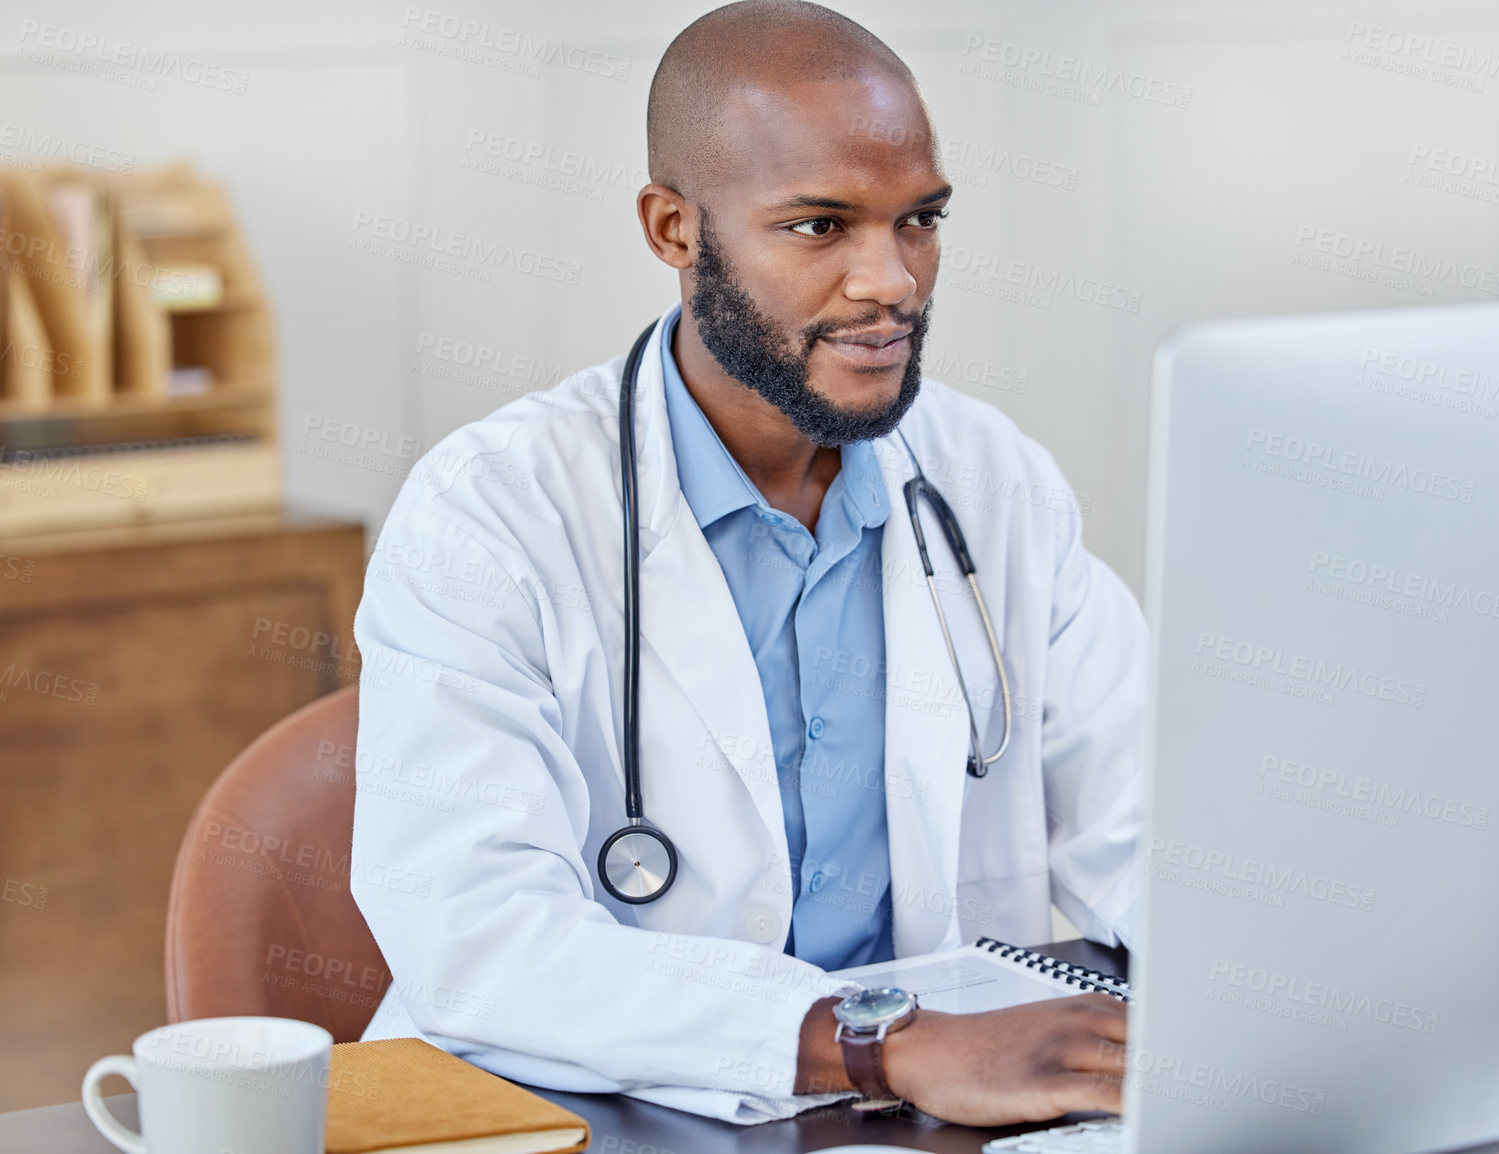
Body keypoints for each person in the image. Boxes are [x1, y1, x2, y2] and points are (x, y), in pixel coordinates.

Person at [351, 0, 1144, 1127]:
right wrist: (876, 1045)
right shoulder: (490, 511)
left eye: (918, 220)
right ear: (675, 228)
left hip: (912, 1118)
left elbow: (1153, 820)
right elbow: (474, 932)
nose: (892, 281)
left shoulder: (989, 477)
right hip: (593, 1106)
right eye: (821, 227)